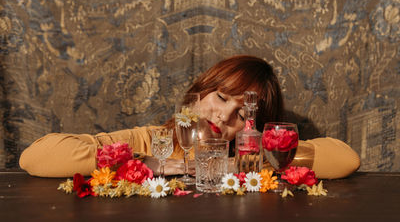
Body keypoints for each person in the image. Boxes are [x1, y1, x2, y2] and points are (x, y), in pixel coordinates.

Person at [19, 55, 360, 179]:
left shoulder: (249, 160)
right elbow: (37, 156)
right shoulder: (154, 140)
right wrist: (151, 164)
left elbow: (345, 159)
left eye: (242, 114)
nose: (225, 114)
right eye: (222, 97)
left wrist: (257, 162)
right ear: (199, 92)